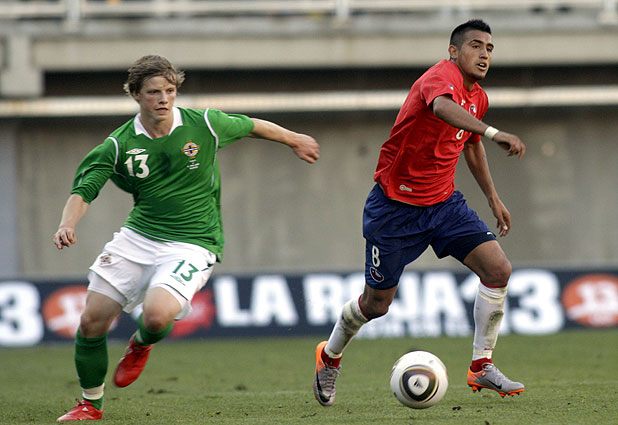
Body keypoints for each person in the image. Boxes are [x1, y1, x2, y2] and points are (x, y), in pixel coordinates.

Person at [53, 54, 319, 422]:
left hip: (193, 242)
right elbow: (84, 190)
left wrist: (294, 139)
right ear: (135, 94)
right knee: (91, 321)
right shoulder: (118, 145)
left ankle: (141, 344)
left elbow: (251, 126)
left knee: (156, 316)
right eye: (153, 92)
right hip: (138, 238)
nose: (163, 98)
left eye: (169, 90)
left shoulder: (204, 124)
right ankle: (90, 404)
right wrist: (67, 224)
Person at [313, 19, 526, 407]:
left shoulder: (478, 98)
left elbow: (470, 145)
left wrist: (493, 197)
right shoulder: (439, 78)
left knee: (498, 270)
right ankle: (329, 357)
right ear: (453, 52)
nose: (484, 54)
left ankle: (481, 365)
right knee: (376, 305)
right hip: (394, 210)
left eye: (489, 49)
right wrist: (495, 133)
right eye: (476, 46)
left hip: (444, 205)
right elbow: (442, 108)